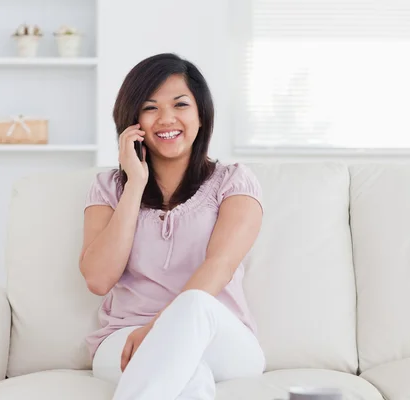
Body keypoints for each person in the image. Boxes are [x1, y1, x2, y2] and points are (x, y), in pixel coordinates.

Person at [79, 53, 265, 400]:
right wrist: (134, 184)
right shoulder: (109, 188)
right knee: (188, 376)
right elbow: (98, 279)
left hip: (220, 338)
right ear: (132, 121)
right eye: (150, 108)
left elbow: (219, 266)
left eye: (180, 104)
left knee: (194, 305)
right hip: (125, 337)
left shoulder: (234, 182)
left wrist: (159, 328)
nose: (166, 119)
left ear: (200, 114)